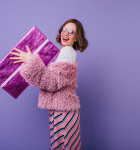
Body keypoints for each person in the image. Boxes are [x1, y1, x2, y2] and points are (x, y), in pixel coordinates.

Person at [9, 19, 88, 150]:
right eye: (64, 29)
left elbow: (51, 82)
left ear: (76, 38)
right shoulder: (66, 53)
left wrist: (31, 60)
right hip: (62, 109)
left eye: (72, 32)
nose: (66, 33)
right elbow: (54, 80)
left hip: (63, 111)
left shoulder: (67, 51)